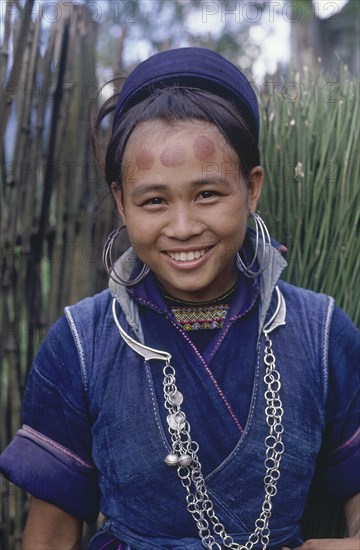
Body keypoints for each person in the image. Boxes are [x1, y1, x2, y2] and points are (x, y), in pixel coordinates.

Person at [0, 47, 359, 550]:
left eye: (208, 194)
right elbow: (49, 536)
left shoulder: (321, 335)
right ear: (121, 204)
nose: (184, 227)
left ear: (251, 188)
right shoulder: (80, 346)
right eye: (153, 201)